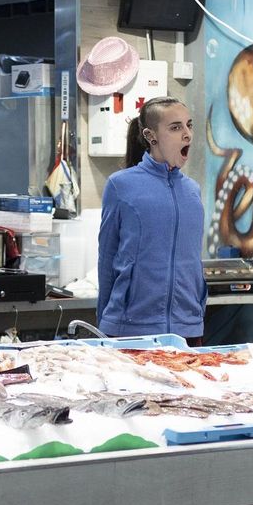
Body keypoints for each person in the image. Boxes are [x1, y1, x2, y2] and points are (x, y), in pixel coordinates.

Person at [99, 96, 206, 343]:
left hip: (187, 329)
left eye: (189, 125)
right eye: (175, 127)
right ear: (151, 136)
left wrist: (197, 312)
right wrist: (104, 326)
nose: (187, 134)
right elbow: (107, 260)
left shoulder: (192, 191)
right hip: (130, 328)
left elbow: (192, 261)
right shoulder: (121, 185)